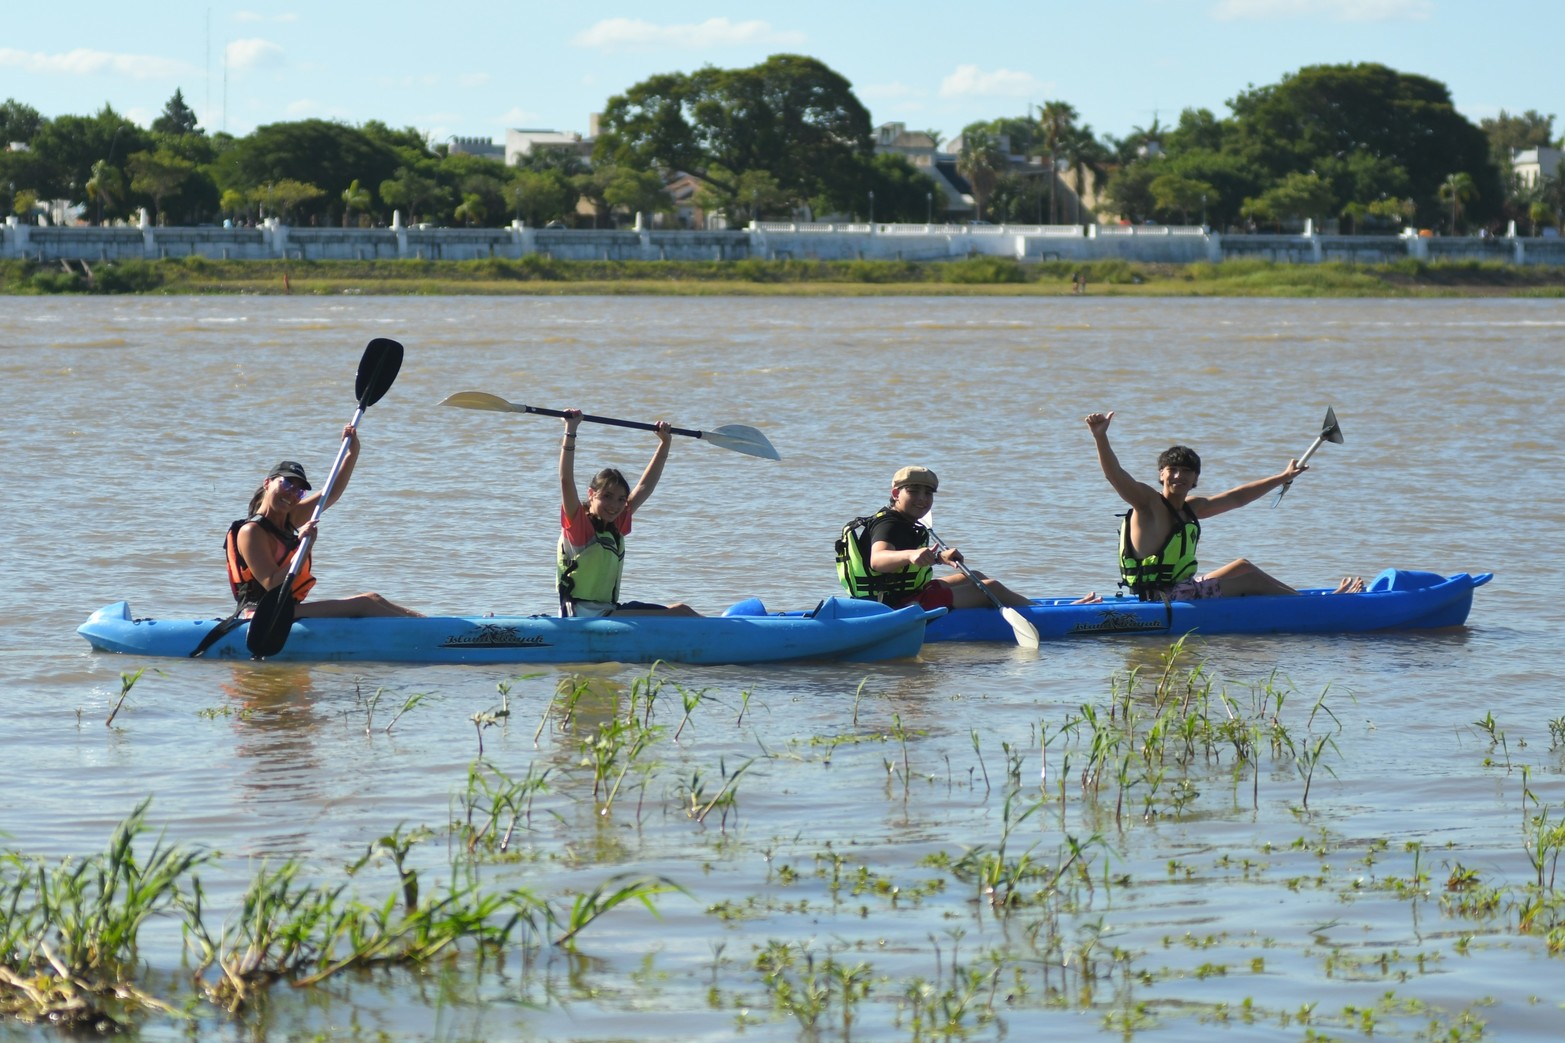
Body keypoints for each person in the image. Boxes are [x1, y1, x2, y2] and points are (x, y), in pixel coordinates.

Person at [1084, 411, 1363, 599]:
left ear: (1196, 478)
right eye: (1172, 470)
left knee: (1243, 566)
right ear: (1161, 474)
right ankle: (1316, 606)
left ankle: (1301, 600)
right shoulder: (1147, 502)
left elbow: (1237, 498)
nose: (1178, 476)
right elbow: (1115, 475)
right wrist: (1100, 436)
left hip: (1180, 589)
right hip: (1163, 598)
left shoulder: (1191, 507)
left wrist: (1282, 477)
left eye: (1186, 471)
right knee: (1252, 583)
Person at [225, 426, 419, 618]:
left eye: (298, 491)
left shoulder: (288, 518)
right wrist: (304, 547)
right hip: (262, 615)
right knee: (365, 604)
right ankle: (436, 637)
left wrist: (353, 452)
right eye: (286, 484)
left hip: (285, 609)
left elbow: (330, 493)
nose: (291, 494)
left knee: (373, 598)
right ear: (267, 483)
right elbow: (271, 583)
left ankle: (435, 628)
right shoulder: (251, 532)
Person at [557, 410, 698, 618]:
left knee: (683, 609)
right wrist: (570, 430)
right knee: (679, 615)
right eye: (607, 496)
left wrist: (664, 443)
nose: (614, 505)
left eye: (621, 499)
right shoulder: (579, 526)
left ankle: (731, 629)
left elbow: (644, 487)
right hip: (583, 616)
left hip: (608, 612)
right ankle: (732, 638)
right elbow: (566, 480)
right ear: (591, 494)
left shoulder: (615, 523)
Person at [836, 466, 1035, 612]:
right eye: (913, 491)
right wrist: (912, 554)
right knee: (990, 588)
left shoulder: (904, 520)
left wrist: (939, 558)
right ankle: (1039, 613)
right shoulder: (889, 524)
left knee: (974, 575)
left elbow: (907, 563)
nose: (922, 498)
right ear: (896, 493)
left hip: (905, 594)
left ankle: (1032, 607)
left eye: (928, 493)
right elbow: (878, 560)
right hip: (893, 606)